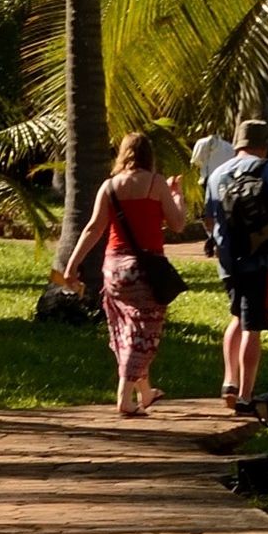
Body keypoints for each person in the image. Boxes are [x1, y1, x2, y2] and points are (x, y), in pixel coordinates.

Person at [54, 132, 191, 416]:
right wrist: (177, 196)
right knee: (144, 333)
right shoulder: (156, 184)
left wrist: (71, 266)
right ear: (148, 155)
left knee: (125, 330)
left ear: (123, 155)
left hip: (114, 270)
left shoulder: (110, 187)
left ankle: (145, 392)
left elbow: (94, 228)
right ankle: (124, 398)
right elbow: (177, 224)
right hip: (145, 270)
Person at [208, 117, 268, 412]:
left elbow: (209, 219)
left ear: (238, 143)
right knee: (253, 325)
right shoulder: (265, 167)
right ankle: (246, 396)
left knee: (236, 315)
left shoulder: (216, 174)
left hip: (227, 261)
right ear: (264, 144)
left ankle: (228, 381)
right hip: (260, 257)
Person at [187, 125, 235, 250]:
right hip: (225, 181)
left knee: (209, 211)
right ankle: (216, 236)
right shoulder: (228, 146)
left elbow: (195, 162)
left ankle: (213, 236)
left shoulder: (202, 143)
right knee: (223, 210)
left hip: (209, 180)